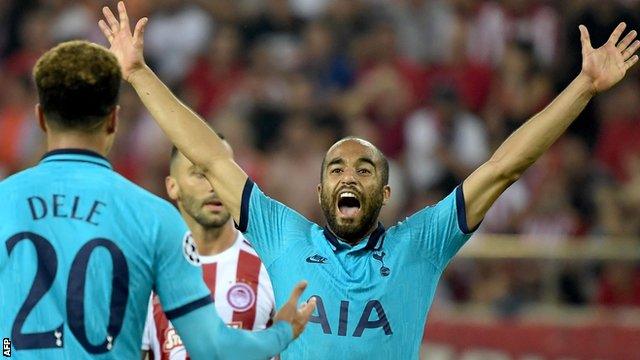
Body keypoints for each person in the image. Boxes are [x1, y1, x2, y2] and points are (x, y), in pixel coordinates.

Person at [99, 2, 639, 358]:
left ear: (385, 192)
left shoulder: (420, 245)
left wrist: (585, 88)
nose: (348, 175)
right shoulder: (285, 235)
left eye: (364, 168)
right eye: (335, 167)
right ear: (319, 193)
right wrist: (140, 73)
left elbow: (503, 167)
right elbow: (211, 157)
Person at [0, 39, 315, 359]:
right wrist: (282, 332)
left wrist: (7, 348)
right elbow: (212, 347)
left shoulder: (4, 203)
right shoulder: (153, 218)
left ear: (40, 118)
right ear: (113, 120)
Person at [141, 144, 277, 359]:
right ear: (172, 186)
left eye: (220, 175)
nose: (214, 185)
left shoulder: (270, 264)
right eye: (199, 174)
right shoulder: (146, 271)